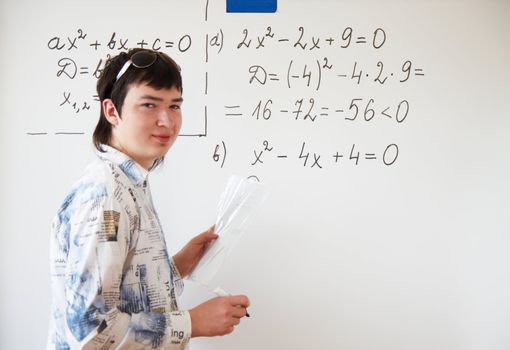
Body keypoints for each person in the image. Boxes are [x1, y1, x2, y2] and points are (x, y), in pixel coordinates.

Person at [47, 48, 250, 349]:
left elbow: (122, 295)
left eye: (175, 106)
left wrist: (177, 267)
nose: (167, 121)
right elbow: (90, 332)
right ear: (112, 111)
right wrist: (192, 322)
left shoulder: (128, 181)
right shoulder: (106, 197)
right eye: (149, 105)